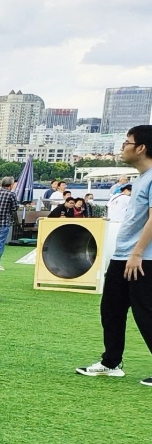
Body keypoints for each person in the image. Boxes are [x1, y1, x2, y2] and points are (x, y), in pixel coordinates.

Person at [77, 125, 152, 384]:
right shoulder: (140, 178)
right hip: (124, 256)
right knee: (111, 309)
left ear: (141, 147)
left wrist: (138, 252)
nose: (122, 147)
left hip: (143, 259)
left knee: (146, 312)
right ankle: (111, 362)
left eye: (127, 142)